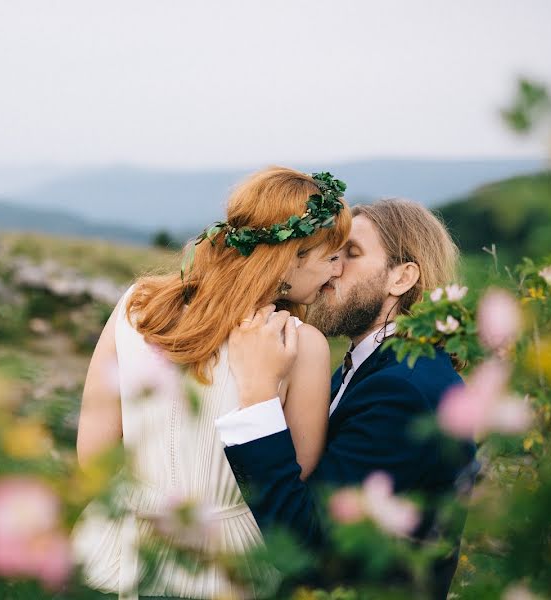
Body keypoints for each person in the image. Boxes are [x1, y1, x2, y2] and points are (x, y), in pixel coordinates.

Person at [72, 167, 351, 599]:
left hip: (119, 544)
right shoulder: (301, 344)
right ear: (292, 256)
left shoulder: (137, 305)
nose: (337, 273)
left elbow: (93, 454)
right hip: (227, 562)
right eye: (332, 257)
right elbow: (291, 476)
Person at [217, 199, 478, 599]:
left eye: (351, 254)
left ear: (402, 278)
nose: (332, 268)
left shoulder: (403, 392)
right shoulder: (366, 370)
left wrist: (257, 397)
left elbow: (313, 547)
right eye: (332, 253)